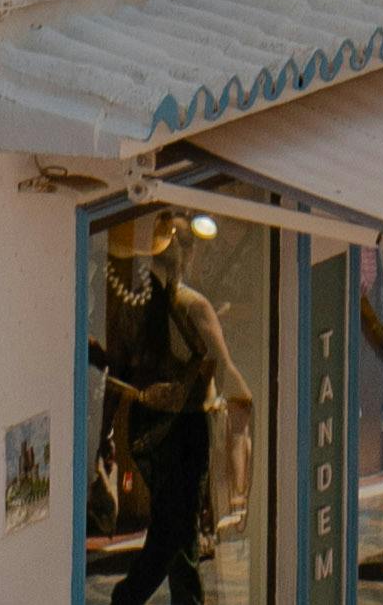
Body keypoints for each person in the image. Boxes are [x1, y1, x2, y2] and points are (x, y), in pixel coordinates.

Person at [89, 208, 255, 605]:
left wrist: (106, 432)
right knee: (176, 528)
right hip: (184, 428)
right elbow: (225, 366)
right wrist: (246, 404)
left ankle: (186, 600)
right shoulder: (193, 305)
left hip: (146, 427)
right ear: (187, 254)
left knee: (175, 526)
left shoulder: (134, 303)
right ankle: (128, 596)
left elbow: (119, 366)